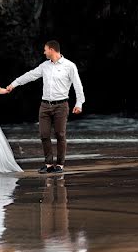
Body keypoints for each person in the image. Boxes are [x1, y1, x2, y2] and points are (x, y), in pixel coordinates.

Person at [7, 40, 85, 174]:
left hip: (61, 105)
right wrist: (14, 84)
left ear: (52, 50)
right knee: (44, 135)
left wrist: (79, 103)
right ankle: (48, 164)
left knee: (60, 135)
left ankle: (60, 165)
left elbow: (77, 85)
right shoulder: (44, 66)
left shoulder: (69, 66)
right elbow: (30, 75)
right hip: (45, 105)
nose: (44, 52)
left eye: (45, 49)